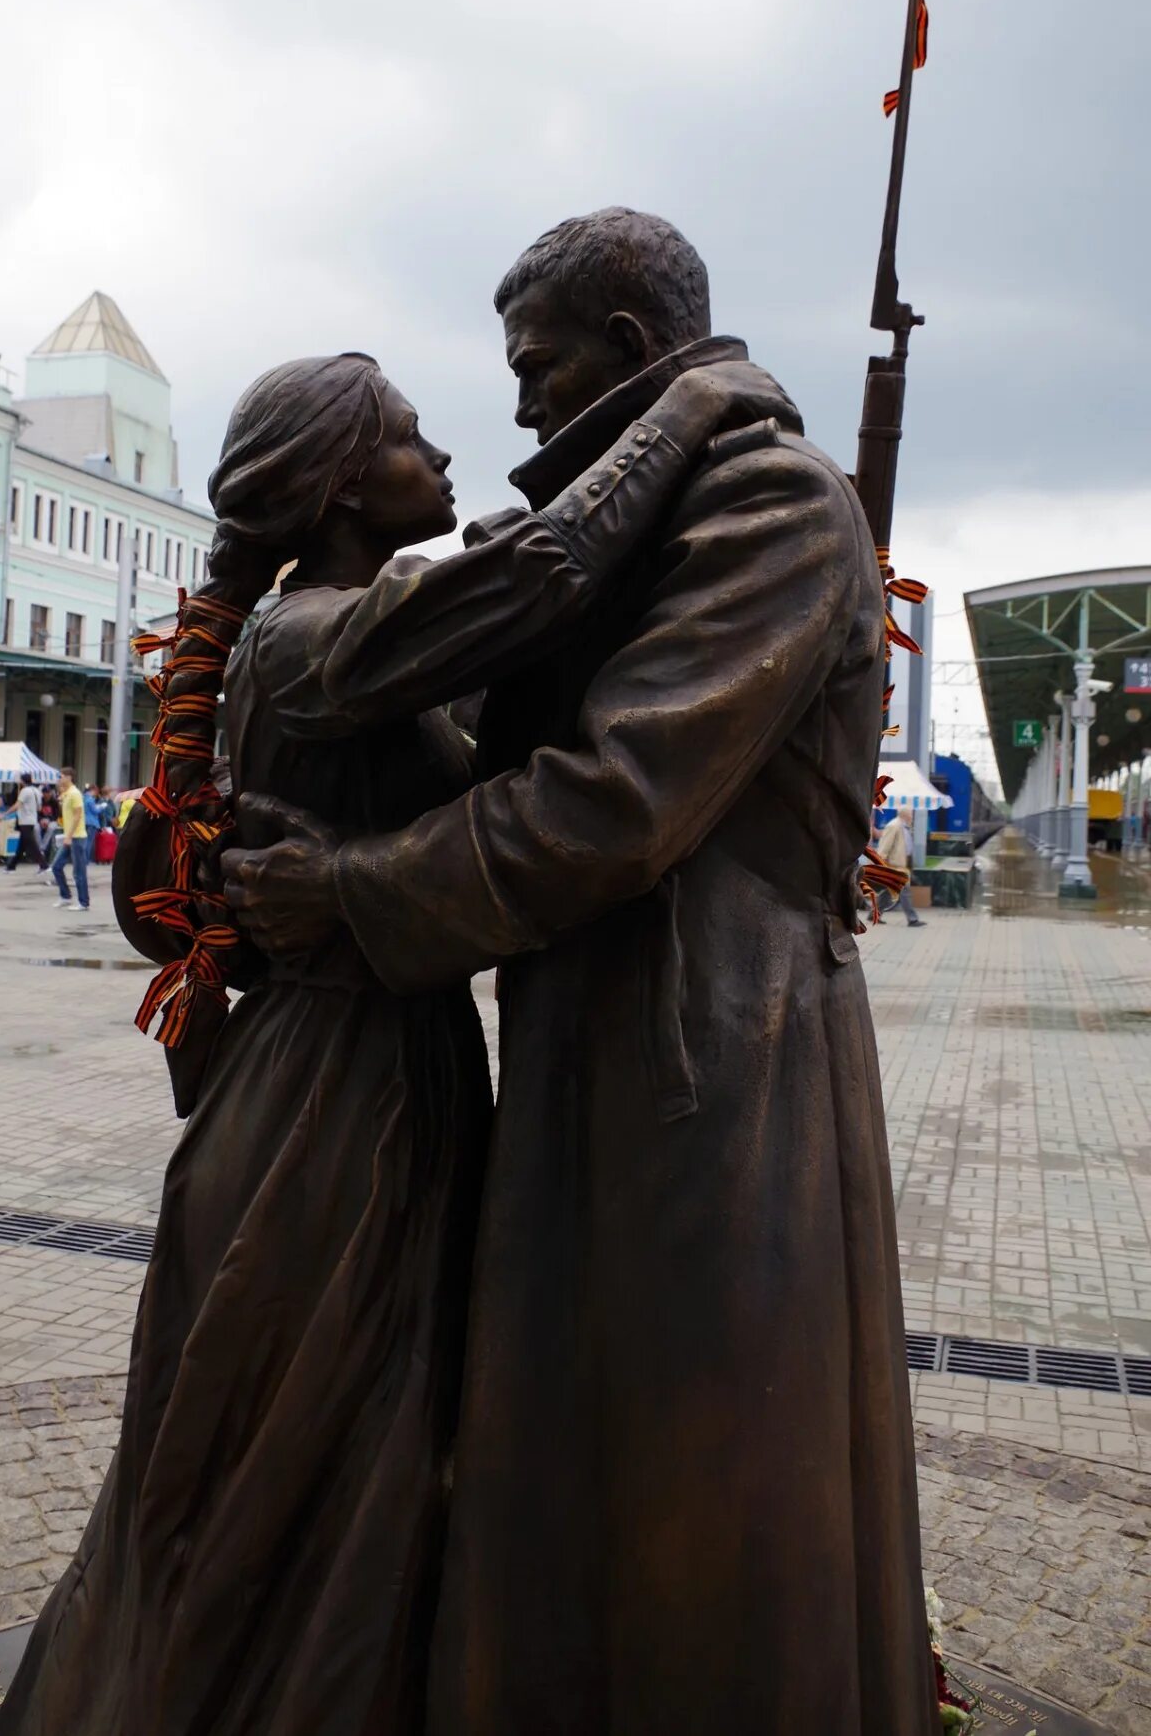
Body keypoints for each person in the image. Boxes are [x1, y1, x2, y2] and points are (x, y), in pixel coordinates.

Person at [223, 210, 940, 1735]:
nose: (523, 404)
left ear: (625, 347)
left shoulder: (772, 509)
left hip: (717, 1063)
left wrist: (347, 889)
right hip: (582, 1037)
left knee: (710, 1466)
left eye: (537, 366)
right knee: (557, 1452)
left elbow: (608, 802)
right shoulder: (639, 515)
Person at [0, 349, 745, 1736]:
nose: (442, 458)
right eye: (409, 438)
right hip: (328, 1115)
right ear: (344, 484)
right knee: (296, 1459)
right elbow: (529, 586)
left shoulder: (350, 638)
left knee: (353, 1447)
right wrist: (686, 411)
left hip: (374, 1082)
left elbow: (505, 650)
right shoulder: (308, 637)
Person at [50, 767, 89, 911]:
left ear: (69, 777)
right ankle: (65, 896)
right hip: (70, 837)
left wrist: (69, 835)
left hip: (77, 837)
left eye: (61, 776)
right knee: (56, 866)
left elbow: (78, 815)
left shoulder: (75, 793)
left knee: (79, 872)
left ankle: (83, 902)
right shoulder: (66, 794)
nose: (59, 779)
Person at [878, 809, 925, 926]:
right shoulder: (894, 826)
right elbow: (885, 845)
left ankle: (874, 913)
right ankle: (912, 919)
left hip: (901, 865)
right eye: (911, 814)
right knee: (905, 891)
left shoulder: (904, 826)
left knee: (888, 892)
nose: (912, 816)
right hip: (894, 865)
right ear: (905, 814)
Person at [7, 775, 48, 872]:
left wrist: (6, 813)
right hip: (32, 819)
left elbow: (18, 804)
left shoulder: (24, 791)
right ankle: (11, 866)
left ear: (22, 781)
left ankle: (44, 865)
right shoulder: (37, 791)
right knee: (22, 844)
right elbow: (39, 808)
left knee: (31, 844)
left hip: (25, 820)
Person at [83, 782, 102, 861]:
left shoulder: (83, 797)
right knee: (89, 842)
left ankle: (83, 859)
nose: (96, 793)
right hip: (92, 822)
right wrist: (101, 807)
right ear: (92, 790)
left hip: (84, 822)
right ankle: (86, 860)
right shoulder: (90, 799)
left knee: (84, 841)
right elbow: (95, 811)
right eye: (96, 791)